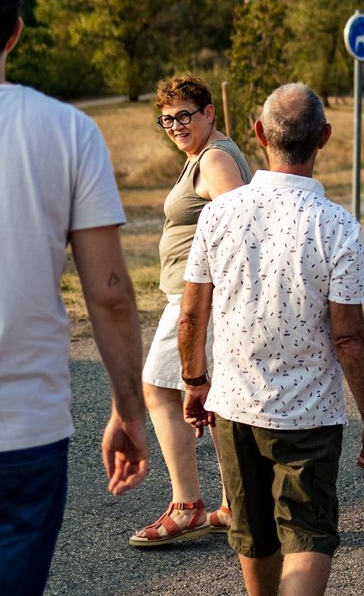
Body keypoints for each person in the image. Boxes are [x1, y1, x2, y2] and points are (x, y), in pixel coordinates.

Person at [0, 0, 149, 594]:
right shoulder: (68, 131)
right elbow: (112, 293)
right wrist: (129, 409)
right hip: (20, 433)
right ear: (15, 31)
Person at [180, 82, 364, 595]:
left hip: (234, 405)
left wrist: (194, 381)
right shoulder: (338, 226)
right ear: (324, 137)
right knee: (308, 533)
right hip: (309, 414)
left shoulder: (218, 214)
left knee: (253, 533)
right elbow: (350, 339)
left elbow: (191, 314)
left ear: (257, 135)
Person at [130, 75, 251, 547]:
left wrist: (214, 295)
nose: (176, 125)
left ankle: (187, 506)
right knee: (217, 401)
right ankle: (233, 504)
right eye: (167, 119)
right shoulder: (205, 155)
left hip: (199, 298)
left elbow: (240, 225)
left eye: (185, 115)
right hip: (201, 296)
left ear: (208, 113)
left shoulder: (216, 159)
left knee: (157, 387)